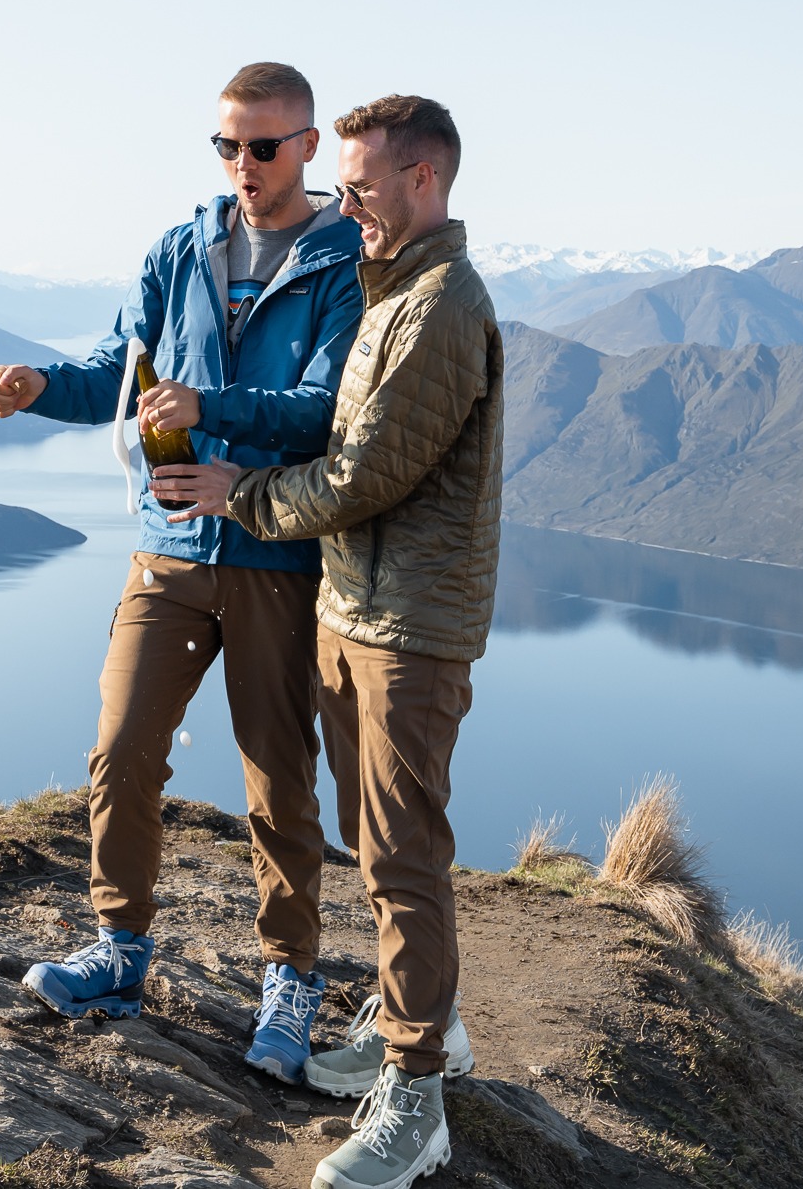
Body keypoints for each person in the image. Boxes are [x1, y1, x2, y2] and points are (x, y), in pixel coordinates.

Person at [0, 61, 365, 1084]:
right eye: (227, 146)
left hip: (275, 554)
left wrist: (212, 407)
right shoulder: (179, 248)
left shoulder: (343, 264)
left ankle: (289, 977)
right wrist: (39, 388)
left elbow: (326, 408)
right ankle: (118, 949)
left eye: (263, 146)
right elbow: (123, 368)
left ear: (307, 146)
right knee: (121, 750)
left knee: (277, 780)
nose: (243, 165)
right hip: (168, 549)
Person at [152, 93, 502, 1189]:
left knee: (401, 859)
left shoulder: (439, 303)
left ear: (422, 182)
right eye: (340, 185)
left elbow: (366, 475)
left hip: (410, 627)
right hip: (355, 609)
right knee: (374, 835)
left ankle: (417, 1101)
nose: (340, 204)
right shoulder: (385, 287)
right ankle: (422, 1030)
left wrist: (237, 492)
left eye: (356, 186)